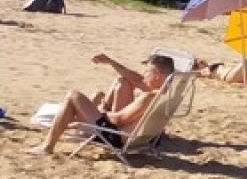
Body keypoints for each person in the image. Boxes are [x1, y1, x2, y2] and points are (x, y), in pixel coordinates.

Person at [27, 53, 175, 156]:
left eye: (147, 72)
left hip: (116, 137)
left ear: (157, 76)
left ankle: (47, 147)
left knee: (74, 95)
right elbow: (134, 79)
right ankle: (71, 123)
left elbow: (118, 120)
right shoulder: (166, 94)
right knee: (119, 84)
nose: (144, 75)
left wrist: (100, 111)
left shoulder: (148, 97)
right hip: (142, 138)